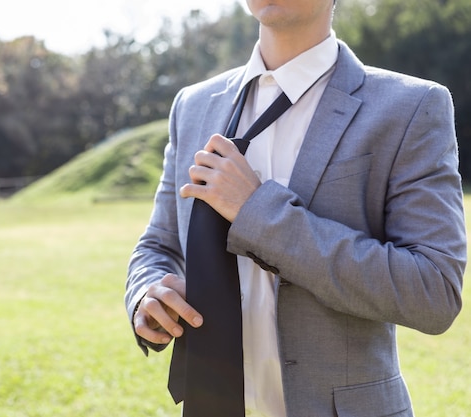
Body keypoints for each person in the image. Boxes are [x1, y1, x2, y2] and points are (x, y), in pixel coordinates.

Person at [125, 0, 466, 416]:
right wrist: (146, 293)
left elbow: (433, 293)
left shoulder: (410, 107)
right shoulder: (193, 105)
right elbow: (159, 245)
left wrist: (257, 212)